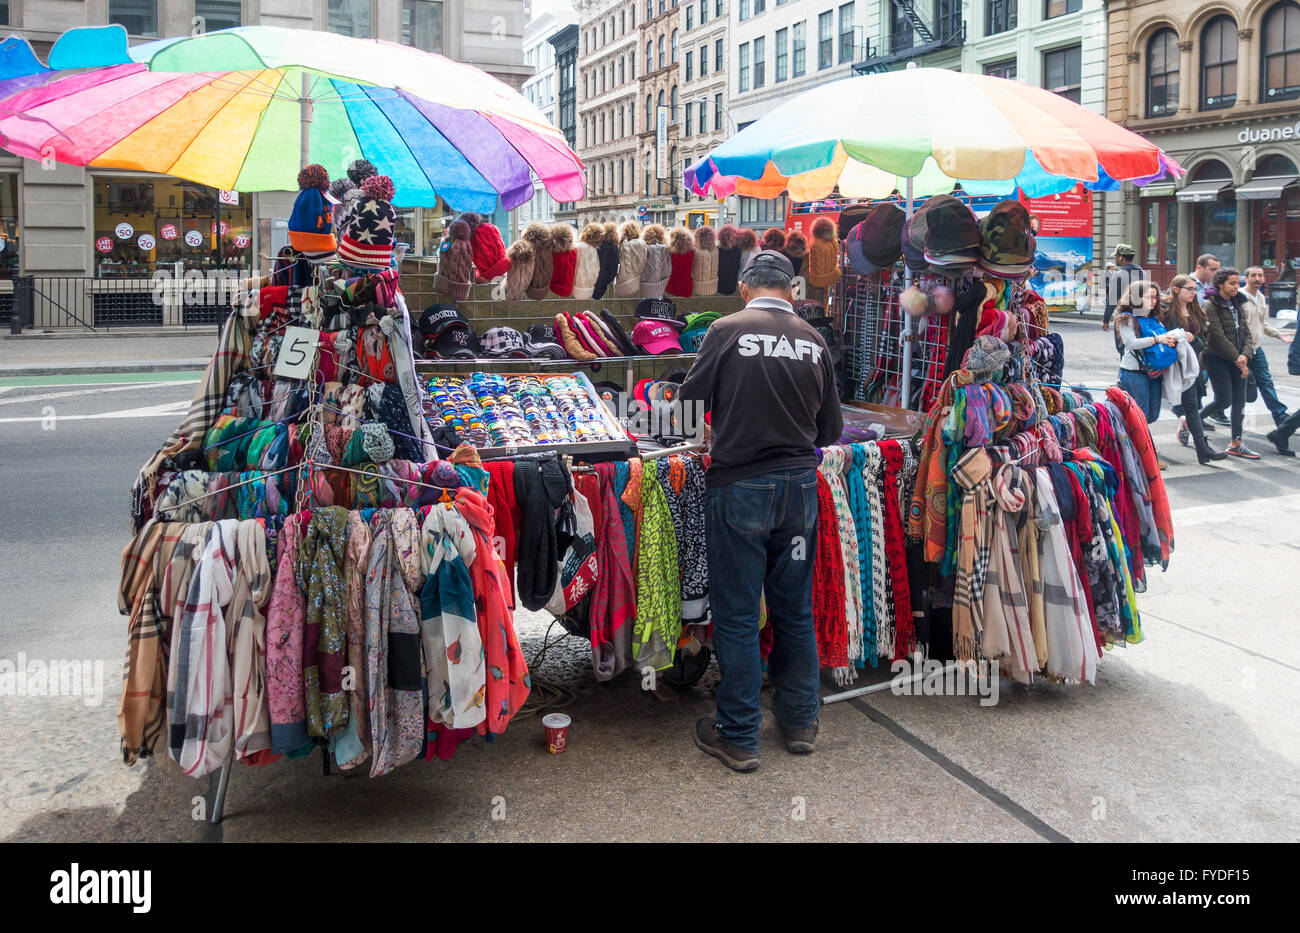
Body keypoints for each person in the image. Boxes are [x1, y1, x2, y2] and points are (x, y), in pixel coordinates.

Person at [678, 249, 843, 772]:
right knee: (794, 609)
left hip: (742, 488)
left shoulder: (727, 330)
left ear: (746, 288)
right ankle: (799, 723)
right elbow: (831, 432)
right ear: (792, 290)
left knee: (739, 615)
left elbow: (687, 403)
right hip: (798, 492)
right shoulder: (813, 340)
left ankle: (740, 734)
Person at [1114, 280, 1179, 468]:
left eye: (1155, 296)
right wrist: (1158, 339)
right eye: (1149, 296)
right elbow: (1131, 343)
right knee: (1140, 416)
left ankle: (1128, 443)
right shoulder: (1127, 318)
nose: (1153, 300)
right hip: (1133, 372)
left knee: (1152, 414)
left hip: (1153, 372)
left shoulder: (1154, 318)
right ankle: (1143, 455)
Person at [1162, 275, 1227, 464]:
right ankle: (1146, 451)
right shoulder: (1165, 311)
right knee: (1152, 412)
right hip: (1169, 365)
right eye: (1188, 289)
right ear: (1175, 289)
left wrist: (1192, 339)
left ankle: (1202, 449)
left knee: (1192, 407)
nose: (1193, 293)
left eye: (1194, 289)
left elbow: (1203, 341)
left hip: (1190, 367)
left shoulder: (1196, 311)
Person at [1200, 266, 1261, 459]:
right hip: (1216, 358)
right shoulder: (1210, 305)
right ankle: (1190, 420)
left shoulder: (1238, 303)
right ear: (1220, 284)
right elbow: (1216, 336)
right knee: (1223, 399)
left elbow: (1247, 333)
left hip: (1238, 359)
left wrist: (1246, 355)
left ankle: (1236, 442)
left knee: (1239, 402)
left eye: (1238, 283)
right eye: (1232, 283)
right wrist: (1240, 361)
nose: (1237, 287)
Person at [1237, 266, 1293, 428]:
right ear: (1246, 278)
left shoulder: (1260, 297)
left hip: (1256, 348)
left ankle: (1280, 415)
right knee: (1240, 386)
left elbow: (1262, 323)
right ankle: (1219, 410)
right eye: (1253, 275)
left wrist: (1279, 334)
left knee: (1266, 382)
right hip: (1241, 350)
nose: (1257, 278)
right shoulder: (1239, 297)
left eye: (1260, 275)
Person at [1102, 244, 1147, 332]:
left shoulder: (1119, 274)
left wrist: (1105, 320)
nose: (1115, 258)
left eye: (1116, 256)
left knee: (1122, 344)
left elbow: (1112, 300)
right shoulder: (1143, 273)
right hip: (1142, 317)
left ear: (1121, 257)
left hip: (1124, 317)